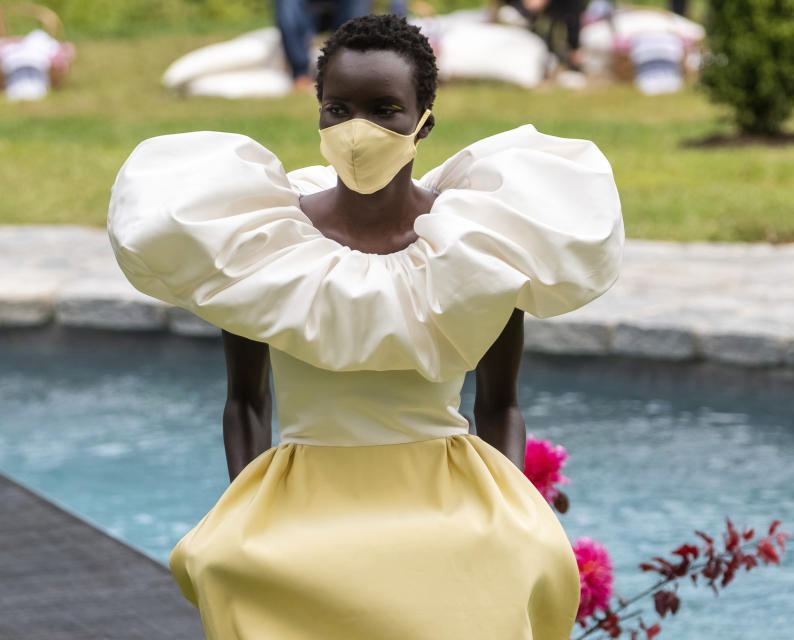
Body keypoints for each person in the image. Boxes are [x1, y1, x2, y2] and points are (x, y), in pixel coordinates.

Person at [108, 14, 622, 640]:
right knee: (225, 560)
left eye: (385, 109)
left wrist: (519, 512)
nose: (359, 130)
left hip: (447, 496)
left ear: (424, 119)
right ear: (319, 115)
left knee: (517, 557)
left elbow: (501, 406)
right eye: (338, 109)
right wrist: (243, 510)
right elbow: (245, 402)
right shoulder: (263, 242)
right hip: (304, 497)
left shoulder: (479, 242)